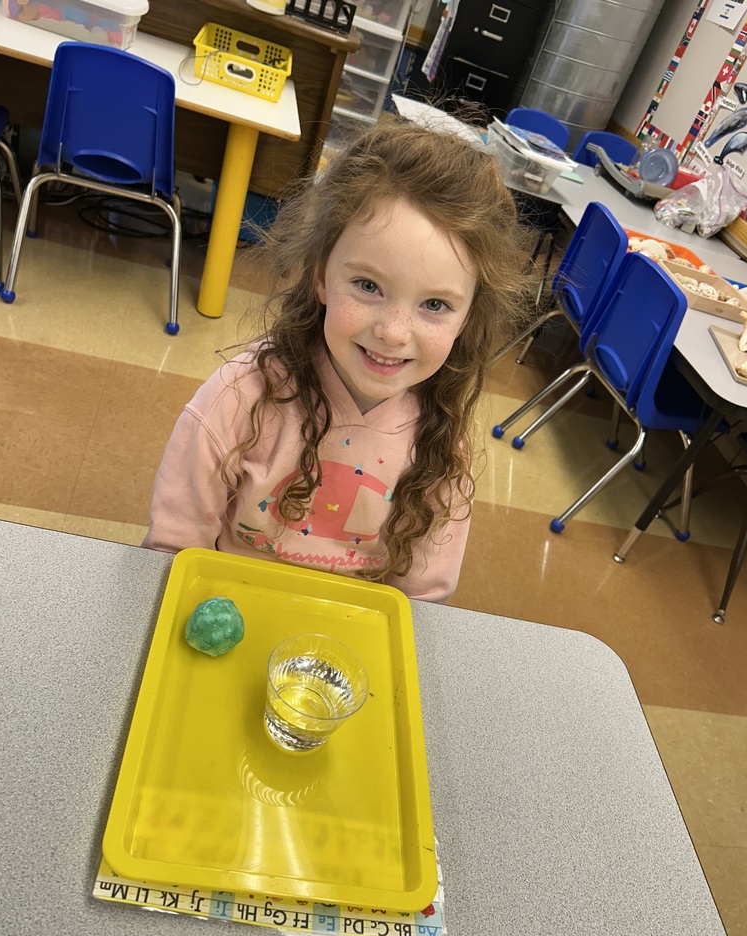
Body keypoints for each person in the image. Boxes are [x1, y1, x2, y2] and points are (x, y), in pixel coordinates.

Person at [143, 117, 530, 602]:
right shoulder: (239, 399)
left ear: (468, 316)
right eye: (368, 286)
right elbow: (172, 553)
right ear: (321, 275)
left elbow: (421, 604)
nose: (392, 333)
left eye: (435, 305)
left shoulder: (441, 445)